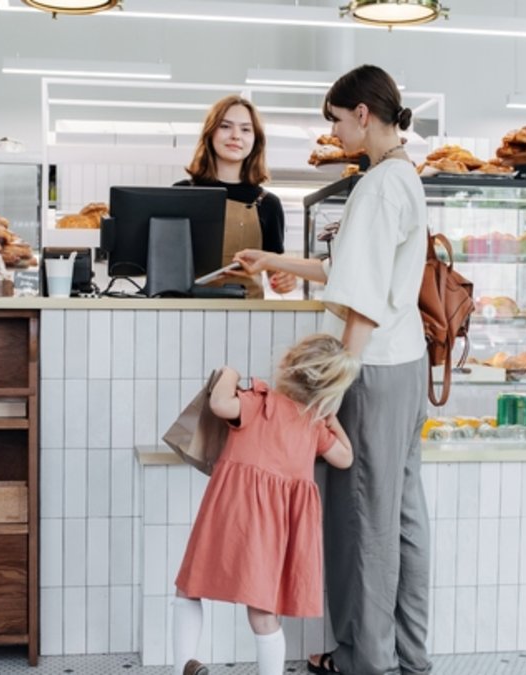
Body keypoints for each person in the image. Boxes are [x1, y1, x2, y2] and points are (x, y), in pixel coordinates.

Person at [235, 65, 431, 675]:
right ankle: (408, 657)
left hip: (371, 371)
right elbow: (349, 270)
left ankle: (363, 661)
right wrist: (272, 257)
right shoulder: (404, 178)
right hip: (407, 366)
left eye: (337, 120)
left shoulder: (376, 187)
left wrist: (336, 376)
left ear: (363, 114)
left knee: (361, 520)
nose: (336, 131)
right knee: (400, 516)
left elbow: (363, 299)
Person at [173, 334, 359, 675]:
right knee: (262, 612)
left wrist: (229, 371)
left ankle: (182, 667)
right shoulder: (313, 425)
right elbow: (345, 458)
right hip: (277, 529)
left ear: (287, 362)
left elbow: (218, 404)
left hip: (233, 514)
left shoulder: (258, 402)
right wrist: (332, 420)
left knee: (189, 588)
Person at [175, 95, 295, 298]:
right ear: (210, 133)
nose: (236, 136)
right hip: (186, 311)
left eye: (246, 129)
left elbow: (276, 273)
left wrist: (285, 280)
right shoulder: (180, 194)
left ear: (255, 140)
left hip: (246, 318)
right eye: (225, 126)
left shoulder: (268, 203)